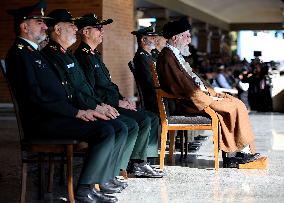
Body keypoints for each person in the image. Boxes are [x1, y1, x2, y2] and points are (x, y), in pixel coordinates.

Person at [5, 3, 127, 202]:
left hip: (58, 115)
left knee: (114, 126)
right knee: (105, 130)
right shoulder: (19, 54)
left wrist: (83, 109)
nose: (45, 27)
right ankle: (84, 189)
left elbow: (63, 89)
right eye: (39, 23)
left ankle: (98, 181)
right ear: (24, 27)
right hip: (44, 122)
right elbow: (36, 97)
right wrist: (76, 113)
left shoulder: (34, 52)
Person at [156, 17, 261, 167]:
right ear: (175, 38)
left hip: (195, 98)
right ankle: (233, 155)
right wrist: (209, 99)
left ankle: (236, 152)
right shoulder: (167, 57)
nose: (189, 40)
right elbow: (182, 87)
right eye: (186, 36)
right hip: (187, 103)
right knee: (231, 108)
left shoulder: (175, 55)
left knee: (236, 102)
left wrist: (212, 93)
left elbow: (193, 80)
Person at [74, 14, 163, 177]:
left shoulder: (94, 55)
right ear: (86, 32)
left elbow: (109, 85)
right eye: (98, 28)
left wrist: (122, 99)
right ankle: (133, 164)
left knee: (150, 117)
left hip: (113, 101)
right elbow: (92, 91)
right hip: (104, 105)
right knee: (142, 120)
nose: (102, 32)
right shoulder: (83, 57)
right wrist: (116, 102)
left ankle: (141, 161)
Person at [132, 26, 160, 114]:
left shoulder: (149, 56)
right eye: (152, 38)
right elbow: (150, 80)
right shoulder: (141, 57)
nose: (155, 40)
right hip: (153, 97)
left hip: (156, 94)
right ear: (143, 40)